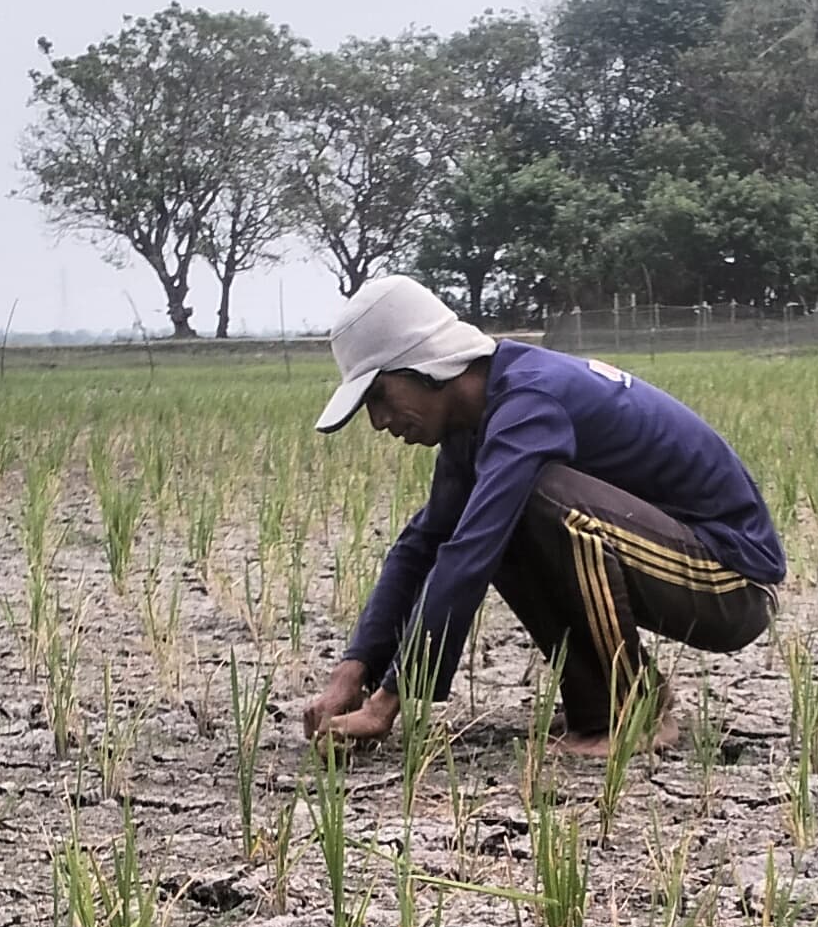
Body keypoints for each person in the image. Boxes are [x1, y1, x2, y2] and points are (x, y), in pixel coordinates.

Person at [292, 275, 781, 759]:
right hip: (679, 560)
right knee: (497, 514)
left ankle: (630, 710)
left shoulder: (529, 401)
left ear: (425, 368)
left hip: (730, 581)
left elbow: (468, 555)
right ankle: (603, 704)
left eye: (379, 396)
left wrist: (388, 701)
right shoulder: (478, 422)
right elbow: (421, 547)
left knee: (527, 502)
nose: (379, 422)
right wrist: (352, 672)